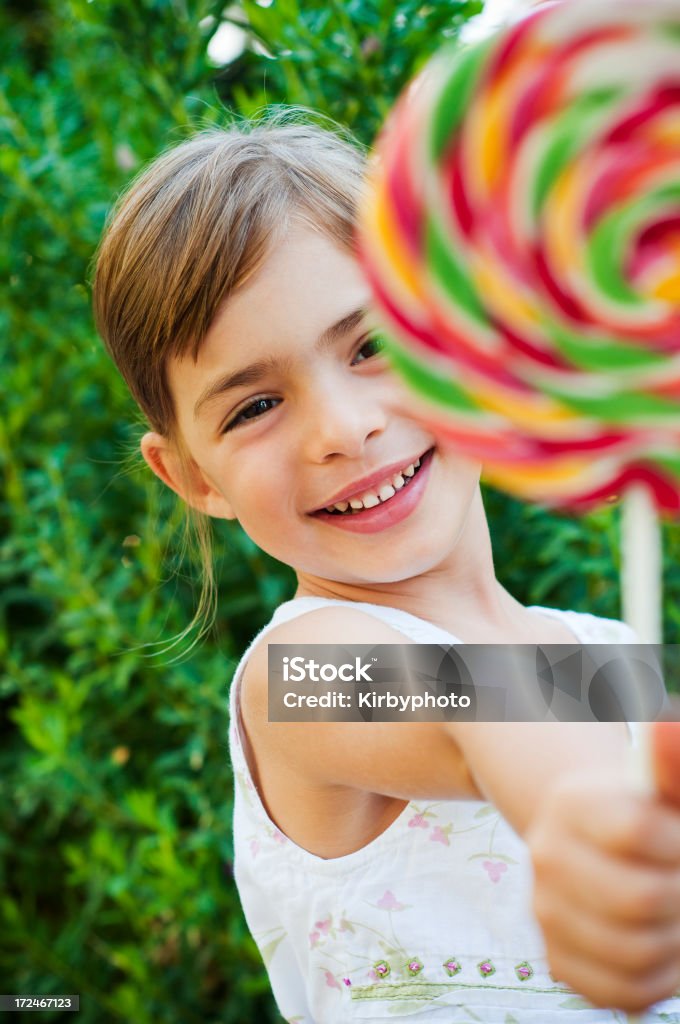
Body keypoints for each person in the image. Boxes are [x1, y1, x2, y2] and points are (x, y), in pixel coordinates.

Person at [93, 117, 680, 1024]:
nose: (343, 428)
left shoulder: (608, 653)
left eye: (374, 345)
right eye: (255, 406)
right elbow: (489, 716)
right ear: (192, 476)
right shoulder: (304, 674)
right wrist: (587, 816)